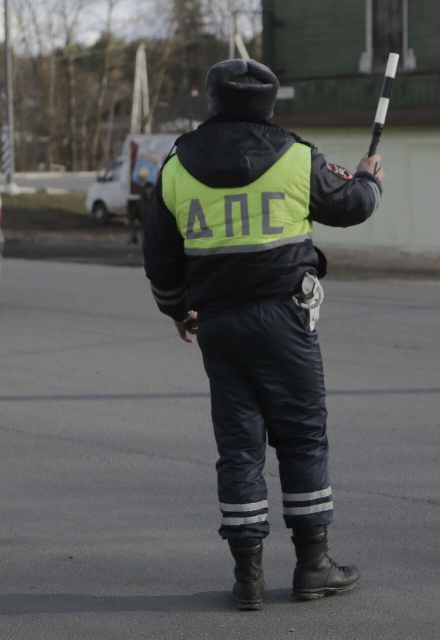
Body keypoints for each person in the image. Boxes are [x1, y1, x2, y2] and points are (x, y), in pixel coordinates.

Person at [142, 59, 384, 611]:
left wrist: (177, 309)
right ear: (271, 106)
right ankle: (312, 567)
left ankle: (247, 577)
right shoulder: (298, 158)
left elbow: (160, 255)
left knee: (239, 447)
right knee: (301, 437)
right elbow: (351, 205)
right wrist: (369, 179)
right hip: (284, 319)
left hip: (218, 326)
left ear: (212, 101)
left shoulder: (176, 166)